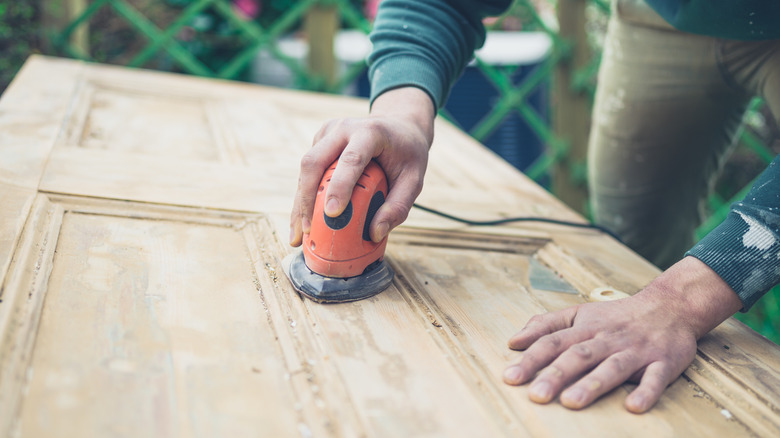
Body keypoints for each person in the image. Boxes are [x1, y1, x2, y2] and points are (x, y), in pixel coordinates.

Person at [289, 0, 780, 413]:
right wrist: (401, 116)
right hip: (662, 18)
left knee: (672, 305)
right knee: (630, 252)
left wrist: (680, 303)